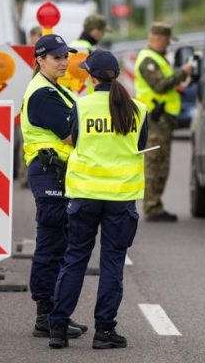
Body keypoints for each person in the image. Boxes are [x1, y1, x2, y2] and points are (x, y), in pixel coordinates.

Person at [47, 49, 148, 350]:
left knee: (74, 259)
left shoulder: (82, 105)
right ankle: (104, 332)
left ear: (90, 77)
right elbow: (140, 146)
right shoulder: (138, 109)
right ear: (116, 75)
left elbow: (75, 141)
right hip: (121, 197)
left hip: (85, 195)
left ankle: (58, 329)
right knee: (113, 263)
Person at [20, 34, 88, 339]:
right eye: (57, 57)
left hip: (58, 172)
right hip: (49, 172)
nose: (64, 62)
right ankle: (45, 316)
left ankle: (56, 314)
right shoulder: (43, 95)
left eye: (65, 57)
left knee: (59, 240)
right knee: (51, 242)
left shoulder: (55, 89)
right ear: (40, 59)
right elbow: (72, 135)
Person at [134, 22, 193, 222]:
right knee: (154, 162)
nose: (168, 44)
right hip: (155, 119)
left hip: (163, 119)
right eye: (167, 40)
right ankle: (151, 206)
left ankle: (155, 204)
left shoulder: (158, 59)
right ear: (158, 38)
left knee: (161, 163)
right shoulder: (148, 60)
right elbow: (159, 86)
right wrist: (183, 72)